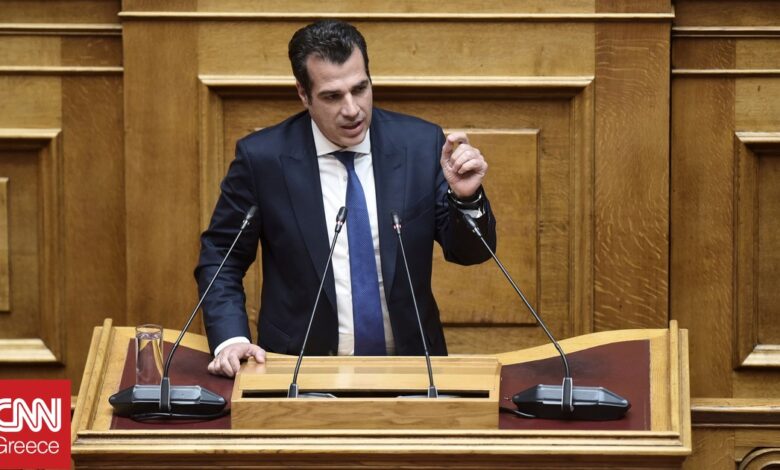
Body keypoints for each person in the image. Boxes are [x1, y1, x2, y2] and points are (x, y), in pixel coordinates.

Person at [196, 19, 497, 377]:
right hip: (298, 371)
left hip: (414, 371)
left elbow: (471, 253)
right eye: (332, 96)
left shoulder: (419, 145)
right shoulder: (263, 160)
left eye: (360, 88)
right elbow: (222, 256)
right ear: (304, 94)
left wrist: (466, 198)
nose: (352, 109)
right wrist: (231, 339)